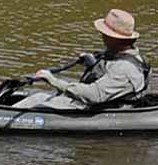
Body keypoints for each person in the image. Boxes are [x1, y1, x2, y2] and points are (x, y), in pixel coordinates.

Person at [11, 8, 150, 110]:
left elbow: (94, 95)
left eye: (104, 33)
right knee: (39, 97)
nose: (101, 35)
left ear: (114, 38)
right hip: (100, 100)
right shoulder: (124, 54)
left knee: (37, 99)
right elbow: (108, 73)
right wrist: (92, 63)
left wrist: (53, 81)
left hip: (100, 107)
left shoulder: (125, 69)